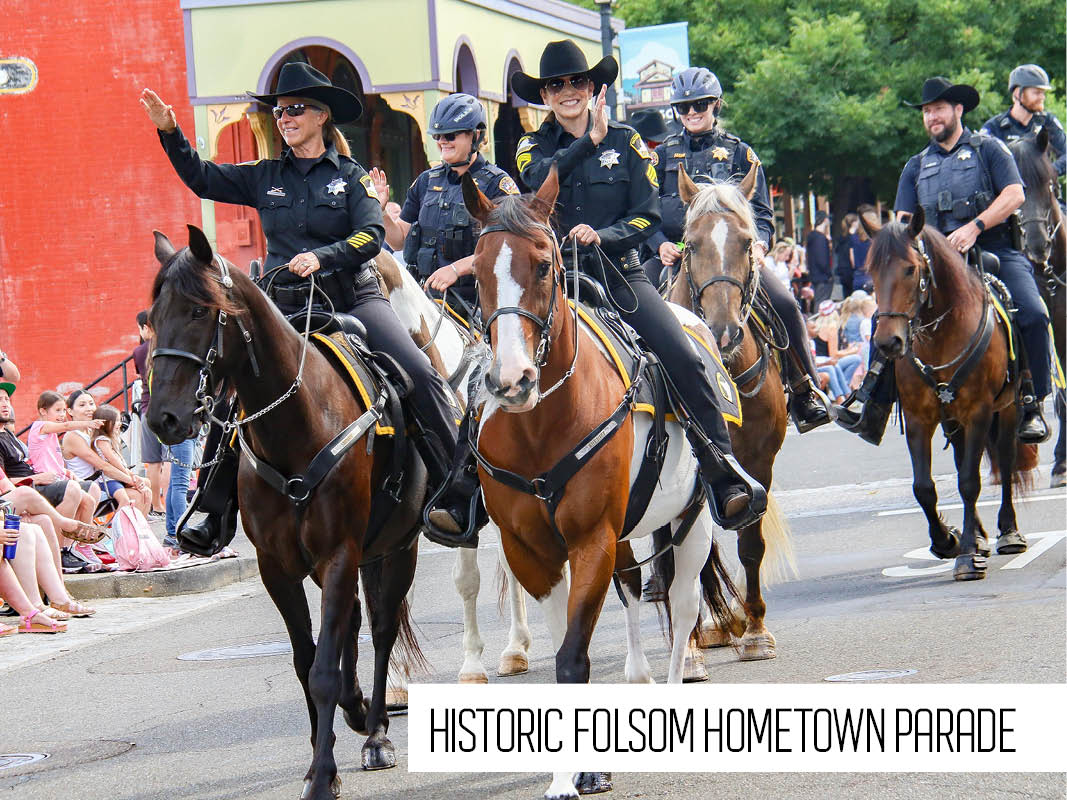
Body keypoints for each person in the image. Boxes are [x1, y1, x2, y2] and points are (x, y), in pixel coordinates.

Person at [425, 40, 767, 548]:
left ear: (593, 87)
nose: (567, 92)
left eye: (577, 82)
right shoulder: (529, 147)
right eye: (555, 85)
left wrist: (601, 236)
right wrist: (588, 142)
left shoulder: (630, 143)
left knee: (682, 353)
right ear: (544, 94)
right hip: (549, 281)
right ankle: (462, 489)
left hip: (620, 274)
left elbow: (648, 214)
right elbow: (540, 188)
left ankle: (722, 470)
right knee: (484, 368)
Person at [141, 62, 467, 552]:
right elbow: (202, 178)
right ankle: (212, 508)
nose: (284, 118)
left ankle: (458, 491)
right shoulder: (265, 176)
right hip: (282, 305)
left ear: (321, 117)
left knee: (418, 371)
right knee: (234, 389)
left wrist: (324, 256)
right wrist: (170, 131)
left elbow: (371, 236)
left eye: (294, 110)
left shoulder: (351, 178)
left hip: (353, 296)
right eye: (278, 111)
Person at [837, 77, 1051, 444]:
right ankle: (874, 403)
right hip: (933, 263)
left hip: (994, 249)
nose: (932, 117)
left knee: (1033, 313)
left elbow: (1015, 194)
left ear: (957, 110)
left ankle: (1032, 402)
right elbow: (903, 223)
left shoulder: (989, 149)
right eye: (926, 112)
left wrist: (975, 227)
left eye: (938, 109)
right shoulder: (915, 166)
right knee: (884, 318)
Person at [644, 66, 832, 433]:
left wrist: (759, 245)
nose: (692, 113)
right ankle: (640, 397)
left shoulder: (741, 153)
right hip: (677, 255)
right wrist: (659, 244)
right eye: (683, 108)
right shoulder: (659, 157)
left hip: (733, 258)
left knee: (786, 304)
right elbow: (644, 211)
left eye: (699, 105)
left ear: (715, 104)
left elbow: (762, 212)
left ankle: (804, 387)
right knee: (634, 311)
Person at [371, 93, 519, 319]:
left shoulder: (498, 185)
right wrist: (381, 212)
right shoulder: (425, 181)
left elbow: (508, 248)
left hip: (477, 304)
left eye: (450, 135)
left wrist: (456, 269)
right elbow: (398, 240)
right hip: (424, 301)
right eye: (437, 135)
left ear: (476, 136)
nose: (442, 141)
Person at [981, 64, 1065, 178]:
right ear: (1017, 94)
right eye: (1036, 92)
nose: (1042, 97)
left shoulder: (1048, 122)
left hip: (1043, 190)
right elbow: (981, 164)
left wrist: (1047, 172)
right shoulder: (994, 127)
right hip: (1010, 190)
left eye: (1043, 93)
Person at [133, 311, 167, 518]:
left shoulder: (139, 351)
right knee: (171, 462)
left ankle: (157, 504)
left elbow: (141, 375)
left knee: (153, 462)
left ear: (145, 327)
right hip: (170, 410)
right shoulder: (170, 346)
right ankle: (170, 504)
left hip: (148, 409)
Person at [806, 210, 834, 306]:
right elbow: (822, 260)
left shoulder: (812, 236)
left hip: (815, 275)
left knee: (819, 302)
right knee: (822, 303)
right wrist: (829, 274)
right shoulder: (820, 238)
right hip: (822, 277)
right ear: (825, 220)